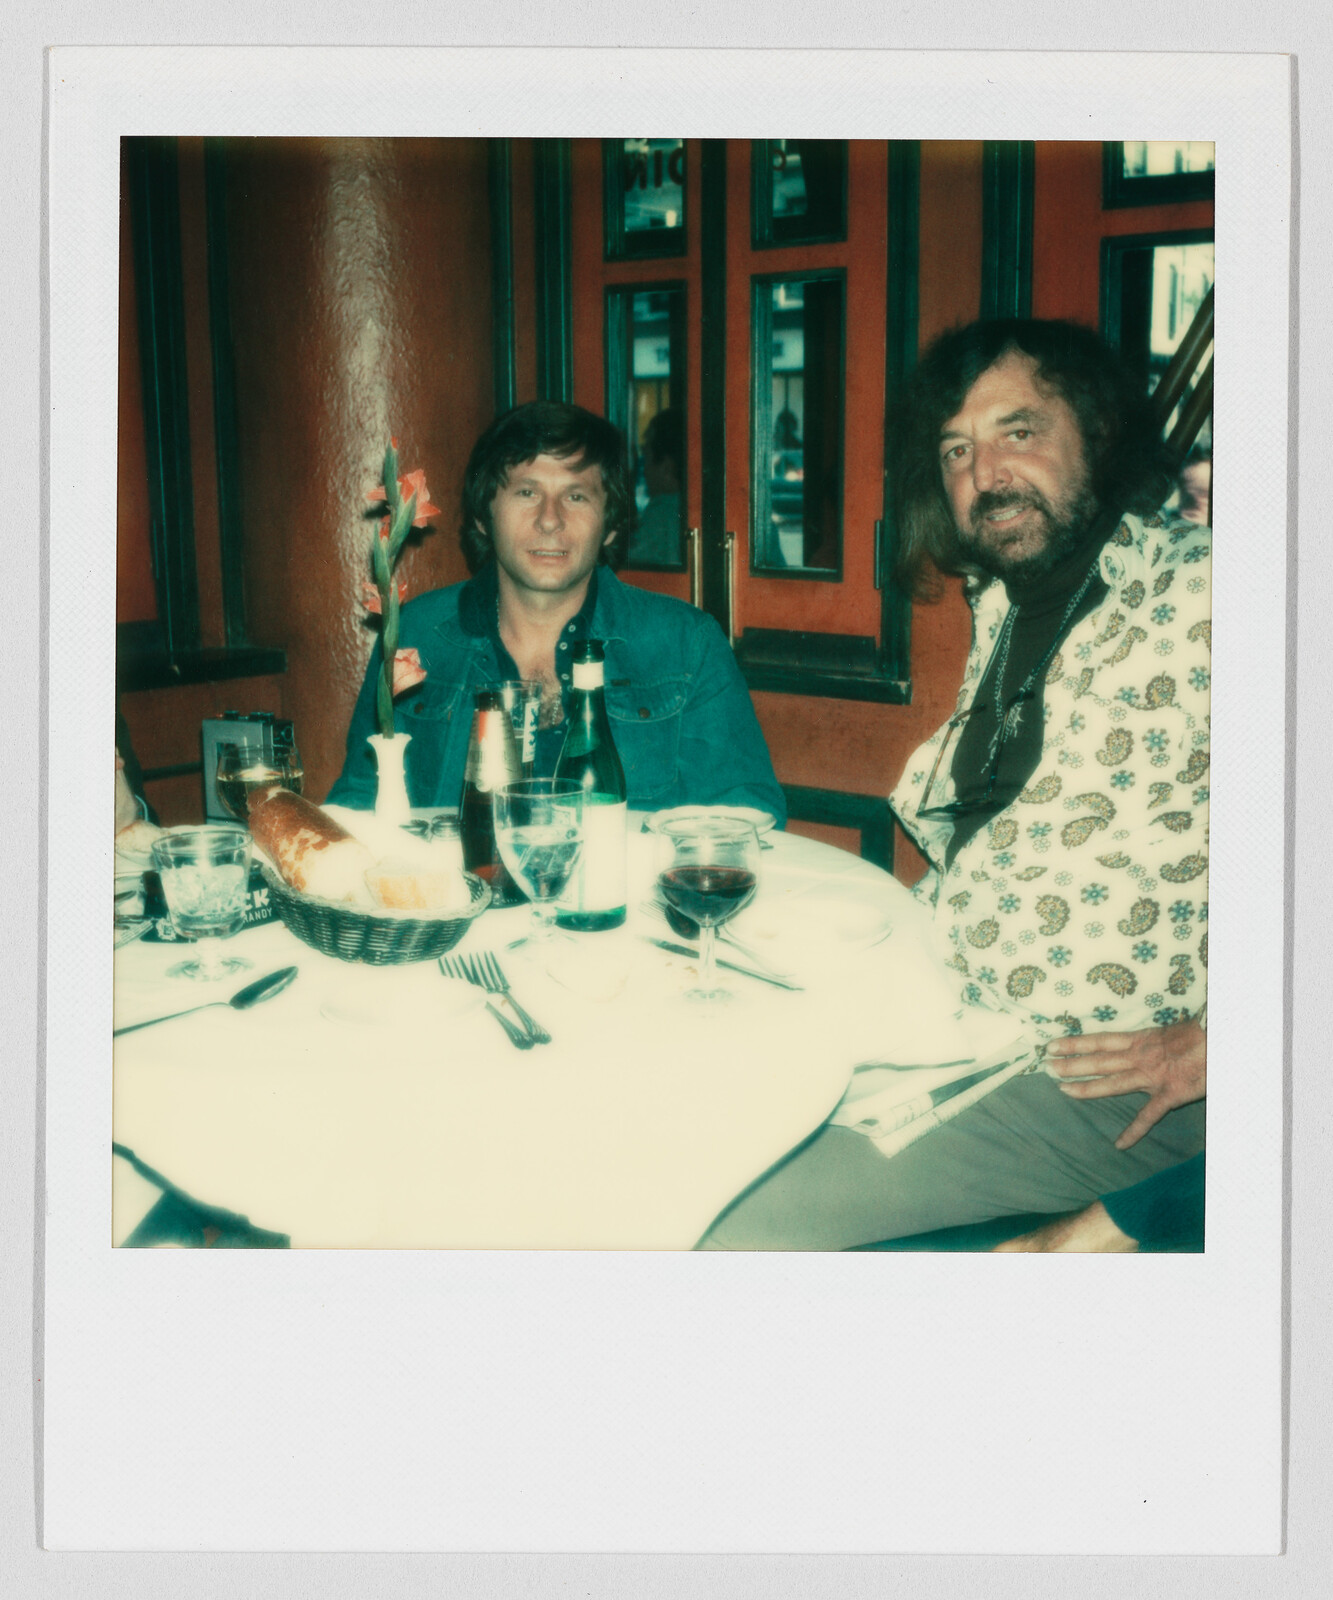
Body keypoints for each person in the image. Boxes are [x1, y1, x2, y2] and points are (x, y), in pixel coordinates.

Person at [700, 319, 1208, 1250]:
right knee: (681, 1121)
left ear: (1094, 433)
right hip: (943, 1020)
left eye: (1018, 431)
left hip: (1091, 1079)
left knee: (728, 1228)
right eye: (956, 451)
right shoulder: (1009, 606)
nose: (986, 472)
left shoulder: (1211, 592)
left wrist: (1224, 1040)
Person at [328, 401, 785, 822]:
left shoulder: (687, 645)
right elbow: (360, 803)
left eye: (577, 496)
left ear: (609, 526)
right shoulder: (416, 635)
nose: (550, 519)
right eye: (526, 492)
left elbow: (747, 816)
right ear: (484, 515)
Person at [629, 407, 683, 566]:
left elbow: (630, 571)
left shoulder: (662, 511)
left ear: (667, 468)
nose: (643, 470)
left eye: (646, 458)